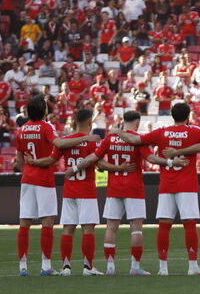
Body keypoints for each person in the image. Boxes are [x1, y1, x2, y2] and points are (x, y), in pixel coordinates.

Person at [112, 102, 200, 276]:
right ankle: (192, 266)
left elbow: (135, 140)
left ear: (171, 116)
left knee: (164, 225)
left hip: (166, 185)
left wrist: (117, 131)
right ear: (188, 116)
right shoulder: (194, 131)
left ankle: (163, 268)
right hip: (187, 185)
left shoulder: (162, 132)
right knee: (189, 225)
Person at [78, 111, 163, 275]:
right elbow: (151, 159)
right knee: (136, 229)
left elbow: (97, 160)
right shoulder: (137, 139)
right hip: (134, 188)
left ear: (123, 121)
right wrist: (169, 162)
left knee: (111, 228)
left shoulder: (110, 138)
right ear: (137, 123)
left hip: (114, 188)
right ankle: (135, 267)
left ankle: (110, 267)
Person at [16, 96, 88, 277]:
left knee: (24, 222)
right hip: (44, 179)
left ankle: (23, 266)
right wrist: (83, 139)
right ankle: (45, 265)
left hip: (27, 179)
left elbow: (18, 159)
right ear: (43, 111)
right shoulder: (46, 127)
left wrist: (27, 171)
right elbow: (59, 144)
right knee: (46, 222)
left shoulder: (21, 130)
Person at [56, 109, 131, 276]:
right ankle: (88, 267)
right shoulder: (92, 142)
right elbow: (101, 165)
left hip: (69, 190)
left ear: (74, 121)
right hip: (87, 190)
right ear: (90, 123)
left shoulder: (66, 141)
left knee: (68, 229)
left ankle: (66, 267)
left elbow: (55, 152)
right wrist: (119, 168)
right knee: (87, 229)